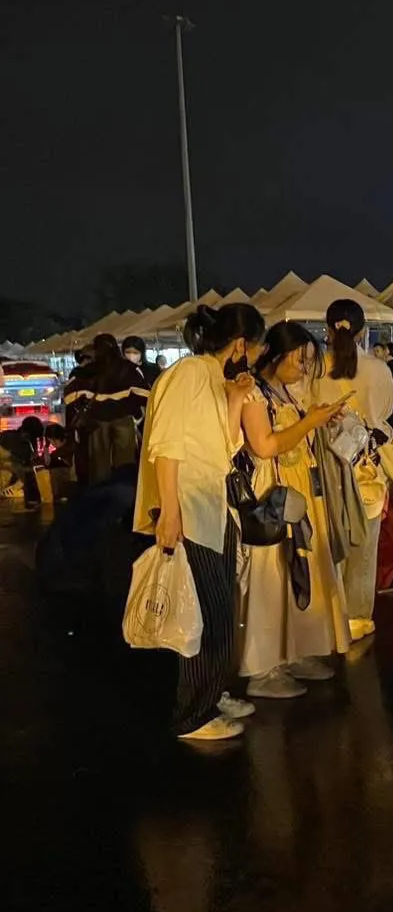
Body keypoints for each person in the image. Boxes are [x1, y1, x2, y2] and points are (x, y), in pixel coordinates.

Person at [135, 303, 266, 741]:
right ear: (242, 344)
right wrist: (170, 513)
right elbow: (166, 446)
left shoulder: (213, 378)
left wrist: (235, 399)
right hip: (191, 510)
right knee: (204, 612)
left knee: (218, 607)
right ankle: (193, 714)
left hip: (212, 507)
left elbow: (224, 447)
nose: (259, 355)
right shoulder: (189, 373)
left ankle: (211, 694)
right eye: (258, 346)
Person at [238, 323, 352, 699]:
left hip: (298, 491)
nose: (303, 368)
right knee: (272, 579)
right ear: (275, 355)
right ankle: (263, 668)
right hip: (273, 495)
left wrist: (316, 419)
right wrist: (308, 422)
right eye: (299, 360)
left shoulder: (283, 391)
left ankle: (297, 651)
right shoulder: (253, 392)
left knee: (302, 572)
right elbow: (264, 446)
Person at [313, 299, 393, 638]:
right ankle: (358, 616)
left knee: (330, 540)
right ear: (362, 332)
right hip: (367, 465)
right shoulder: (379, 370)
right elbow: (387, 412)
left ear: (328, 329)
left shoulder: (314, 369)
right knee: (364, 543)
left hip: (326, 463)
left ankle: (330, 613)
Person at [63, 333, 149, 487]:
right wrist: (133, 409)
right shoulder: (129, 368)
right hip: (124, 420)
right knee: (125, 465)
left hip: (97, 423)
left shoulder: (87, 371)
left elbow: (69, 396)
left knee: (99, 466)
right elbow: (145, 394)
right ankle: (124, 494)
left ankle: (102, 496)